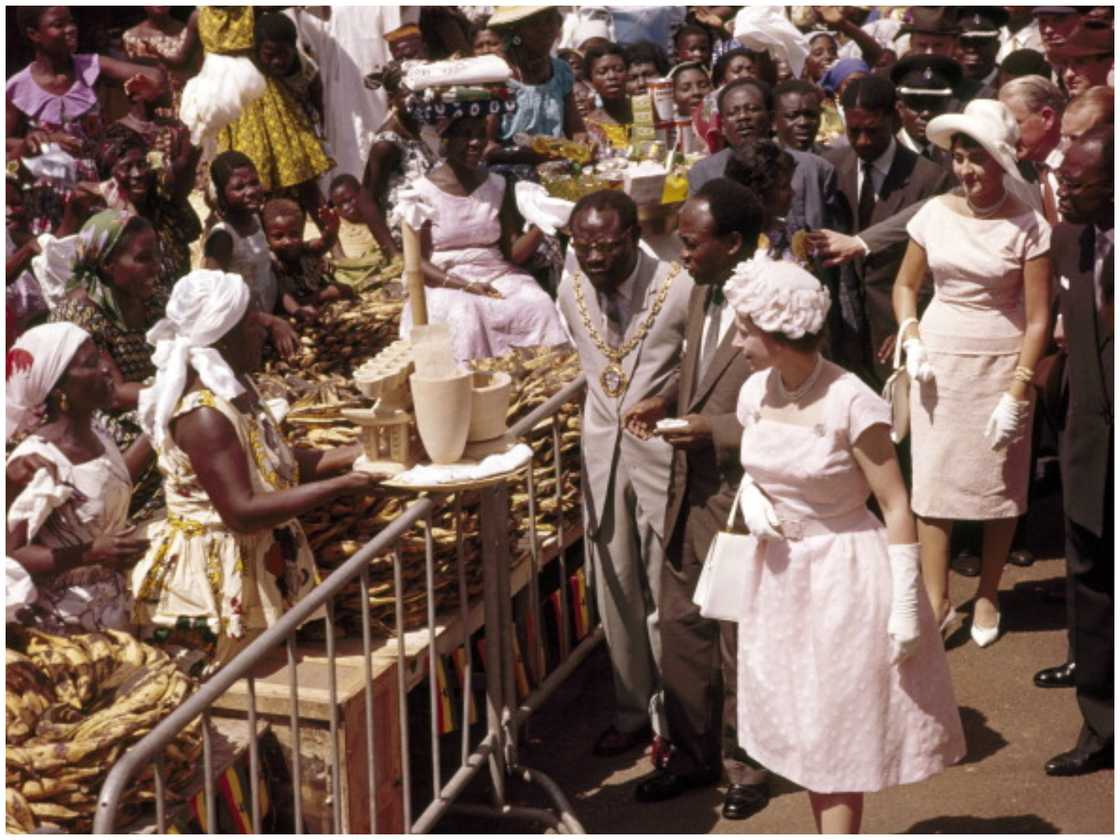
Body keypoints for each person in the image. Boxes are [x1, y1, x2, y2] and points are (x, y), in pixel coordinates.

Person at [724, 255, 965, 834]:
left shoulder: (850, 400)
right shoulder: (756, 391)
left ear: (776, 335)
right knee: (805, 727)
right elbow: (761, 463)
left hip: (842, 577)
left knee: (834, 731)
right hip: (778, 578)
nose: (736, 343)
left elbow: (896, 503)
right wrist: (753, 494)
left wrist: (909, 602)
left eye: (743, 331)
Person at [130, 269, 380, 674]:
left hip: (254, 567)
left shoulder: (237, 387)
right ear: (223, 336)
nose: (263, 331)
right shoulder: (206, 415)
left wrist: (359, 451)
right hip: (209, 587)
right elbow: (240, 511)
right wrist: (342, 486)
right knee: (220, 696)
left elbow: (276, 462)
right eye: (252, 324)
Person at [623, 179, 768, 819]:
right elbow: (703, 376)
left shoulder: (774, 304)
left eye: (693, 243)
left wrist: (715, 431)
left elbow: (797, 409)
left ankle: (748, 767)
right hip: (689, 495)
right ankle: (689, 756)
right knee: (682, 631)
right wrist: (670, 404)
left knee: (739, 641)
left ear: (734, 244)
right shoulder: (705, 290)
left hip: (741, 502)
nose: (683, 254)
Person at [892, 99, 1053, 646]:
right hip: (937, 367)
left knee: (997, 487)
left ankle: (987, 591)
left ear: (1001, 162)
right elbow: (905, 286)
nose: (966, 171)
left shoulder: (1028, 225)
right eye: (959, 158)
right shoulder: (934, 213)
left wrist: (1017, 391)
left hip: (1002, 366)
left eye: (978, 159)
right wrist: (911, 335)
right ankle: (937, 600)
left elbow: (1038, 318)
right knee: (933, 484)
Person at [555, 190, 692, 762]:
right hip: (603, 460)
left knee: (668, 595)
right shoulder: (569, 288)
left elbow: (703, 368)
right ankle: (633, 711)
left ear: (634, 236)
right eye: (582, 247)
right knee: (615, 591)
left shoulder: (681, 288)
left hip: (663, 460)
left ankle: (681, 721)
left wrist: (665, 398)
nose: (593, 259)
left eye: (606, 247)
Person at [1041, 131, 1113, 775]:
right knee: (1090, 591)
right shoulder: (1069, 241)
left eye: (1079, 183)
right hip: (1089, 451)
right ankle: (1100, 728)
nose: (1064, 192)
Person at [6, 322, 152, 634]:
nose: (105, 370)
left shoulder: (97, 432)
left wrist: (158, 427)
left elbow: (108, 478)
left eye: (100, 358)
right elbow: (12, 552)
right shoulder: (39, 461)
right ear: (60, 392)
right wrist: (90, 552)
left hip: (115, 610)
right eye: (90, 365)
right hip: (64, 627)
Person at [402, 114, 569, 362]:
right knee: (466, 314)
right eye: (465, 135)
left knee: (538, 304)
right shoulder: (422, 191)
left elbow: (513, 252)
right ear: (444, 140)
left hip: (496, 271)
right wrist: (466, 286)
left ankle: (544, 380)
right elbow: (419, 262)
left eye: (480, 134)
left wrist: (544, 223)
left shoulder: (498, 184)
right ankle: (472, 386)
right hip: (443, 280)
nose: (475, 142)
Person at [826, 75, 953, 385]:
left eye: (873, 131)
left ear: (895, 116)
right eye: (854, 132)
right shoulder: (831, 167)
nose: (862, 142)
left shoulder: (931, 179)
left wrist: (910, 324)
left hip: (897, 332)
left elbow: (935, 265)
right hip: (843, 336)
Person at [6, 6, 162, 234]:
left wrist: (139, 98)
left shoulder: (91, 67)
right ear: (33, 34)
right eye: (58, 25)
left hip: (99, 186)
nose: (70, 29)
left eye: (71, 22)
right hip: (51, 193)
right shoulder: (18, 88)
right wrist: (40, 141)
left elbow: (154, 79)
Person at [202, 8, 333, 212]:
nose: (277, 60)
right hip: (240, 120)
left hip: (280, 117)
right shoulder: (206, 24)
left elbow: (312, 82)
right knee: (252, 189)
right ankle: (261, 240)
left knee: (306, 183)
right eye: (270, 55)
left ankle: (332, 239)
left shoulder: (254, 14)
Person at [688, 80, 843, 240]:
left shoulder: (814, 168)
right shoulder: (703, 173)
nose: (743, 117)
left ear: (771, 119)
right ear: (722, 125)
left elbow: (835, 235)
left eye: (753, 109)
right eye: (733, 113)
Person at [202, 150, 300, 360]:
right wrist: (271, 323)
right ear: (221, 194)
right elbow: (218, 298)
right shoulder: (223, 237)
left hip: (269, 317)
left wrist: (295, 310)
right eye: (239, 187)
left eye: (254, 183)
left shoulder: (256, 219)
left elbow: (268, 275)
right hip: (242, 332)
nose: (251, 191)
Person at [94, 124, 201, 297]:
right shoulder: (107, 226)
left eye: (142, 164)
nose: (137, 174)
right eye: (127, 167)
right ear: (109, 175)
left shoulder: (164, 207)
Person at [486, 6, 587, 167]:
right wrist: (527, 154)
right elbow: (487, 147)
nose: (546, 30)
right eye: (535, 23)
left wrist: (582, 144)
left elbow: (576, 130)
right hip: (506, 177)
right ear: (515, 30)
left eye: (550, 20)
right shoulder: (495, 75)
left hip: (555, 171)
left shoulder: (561, 71)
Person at [359, 68, 439, 261]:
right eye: (408, 95)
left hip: (429, 231)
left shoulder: (419, 129)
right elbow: (365, 199)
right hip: (408, 238)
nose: (417, 101)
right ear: (392, 99)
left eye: (421, 94)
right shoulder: (386, 144)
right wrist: (393, 253)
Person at [261, 197, 352, 324]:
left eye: (294, 234)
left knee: (345, 289)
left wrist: (332, 228)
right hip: (293, 307)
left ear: (301, 233)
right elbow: (282, 296)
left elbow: (324, 243)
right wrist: (318, 298)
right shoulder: (272, 262)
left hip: (316, 298)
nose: (287, 241)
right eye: (278, 236)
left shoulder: (304, 249)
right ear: (266, 237)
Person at [121, 6, 201, 117]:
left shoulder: (188, 33)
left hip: (189, 105)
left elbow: (196, 71)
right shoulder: (132, 38)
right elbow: (132, 83)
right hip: (153, 111)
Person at [954, 8, 1008, 91]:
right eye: (964, 42)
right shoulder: (943, 85)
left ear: (997, 47)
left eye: (982, 41)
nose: (971, 49)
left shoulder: (1013, 87)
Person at [772, 80, 824, 153]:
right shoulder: (759, 160)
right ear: (773, 121)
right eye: (792, 116)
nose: (803, 122)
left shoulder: (833, 159)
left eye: (811, 115)